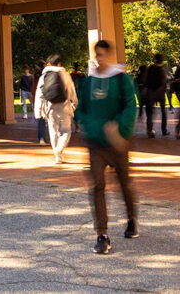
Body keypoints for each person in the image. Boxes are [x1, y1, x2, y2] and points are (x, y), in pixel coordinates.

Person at [75, 40, 138, 255]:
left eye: (103, 55)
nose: (99, 59)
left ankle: (131, 218)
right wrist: (91, 126)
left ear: (109, 56)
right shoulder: (89, 82)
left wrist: (119, 130)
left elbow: (131, 106)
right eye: (97, 55)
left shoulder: (121, 80)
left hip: (118, 143)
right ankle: (102, 234)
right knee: (97, 186)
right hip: (95, 144)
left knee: (124, 183)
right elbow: (80, 109)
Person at [37, 55, 78, 164]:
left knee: (53, 132)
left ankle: (57, 156)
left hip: (50, 108)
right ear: (59, 64)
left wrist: (38, 111)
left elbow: (39, 95)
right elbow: (71, 90)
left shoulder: (43, 77)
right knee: (66, 131)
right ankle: (60, 149)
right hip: (64, 107)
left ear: (49, 64)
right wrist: (75, 103)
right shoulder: (64, 74)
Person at [142, 53, 169, 138]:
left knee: (150, 113)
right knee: (163, 112)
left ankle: (149, 130)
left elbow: (145, 80)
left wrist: (146, 88)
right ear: (162, 60)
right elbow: (164, 82)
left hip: (150, 92)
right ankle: (164, 130)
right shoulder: (163, 69)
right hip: (160, 93)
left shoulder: (150, 68)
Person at [32, 59, 49, 145]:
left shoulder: (37, 76)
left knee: (41, 119)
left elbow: (35, 89)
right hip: (49, 99)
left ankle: (42, 138)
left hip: (41, 99)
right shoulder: (48, 75)